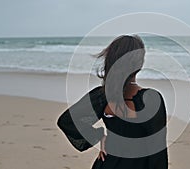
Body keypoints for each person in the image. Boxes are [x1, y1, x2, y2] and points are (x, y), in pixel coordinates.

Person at [57, 35, 168, 169]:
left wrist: (98, 137)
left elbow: (68, 121)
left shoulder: (102, 96)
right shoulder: (150, 99)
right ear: (139, 64)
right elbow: (157, 153)